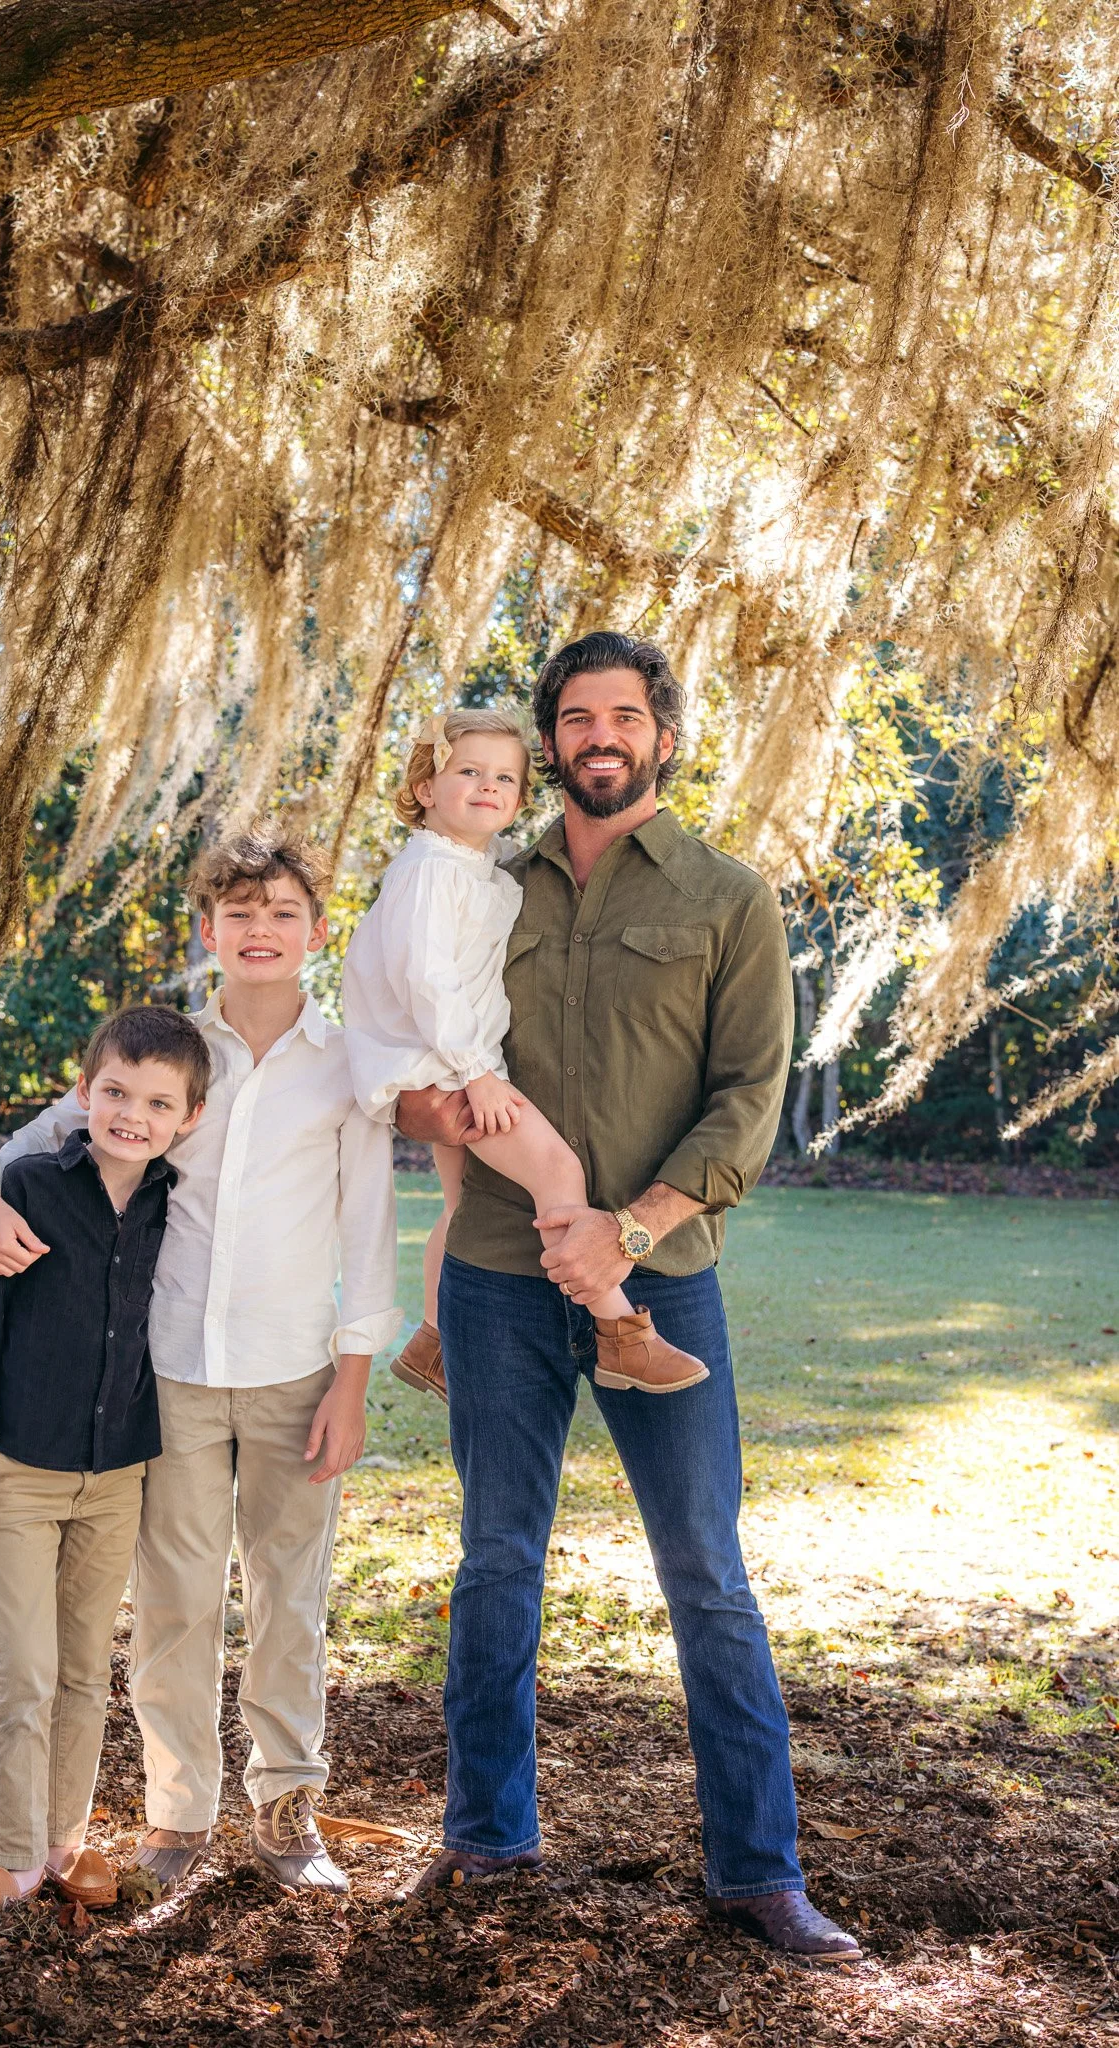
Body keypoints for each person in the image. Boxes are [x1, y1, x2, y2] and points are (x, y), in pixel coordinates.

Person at [395, 632, 861, 1964]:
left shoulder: (728, 897)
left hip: (662, 1290)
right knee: (495, 1560)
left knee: (705, 1573)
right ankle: (483, 1843)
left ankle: (757, 1871)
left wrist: (629, 1232)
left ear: (663, 732)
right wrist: (443, 1116)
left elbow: (745, 1099)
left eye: (625, 714)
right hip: (493, 1275)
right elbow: (417, 1050)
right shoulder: (480, 887)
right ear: (549, 740)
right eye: (575, 716)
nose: (600, 735)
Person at [0, 825, 401, 1897]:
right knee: (176, 1597)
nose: (260, 930)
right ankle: (178, 1812)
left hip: (297, 1367)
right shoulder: (170, 1053)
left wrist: (353, 1374)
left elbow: (367, 1226)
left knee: (290, 1593)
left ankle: (289, 1807)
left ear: (316, 931)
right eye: (239, 913)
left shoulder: (350, 1064)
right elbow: (30, 1143)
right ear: (208, 930)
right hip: (172, 1375)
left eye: (282, 913)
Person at [0, 1003, 210, 1926]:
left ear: (188, 1120)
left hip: (118, 1474)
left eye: (158, 1103)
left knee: (87, 1671)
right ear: (84, 1092)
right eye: (117, 1093)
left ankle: (59, 1840)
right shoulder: (29, 1186)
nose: (133, 1115)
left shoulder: (179, 1206)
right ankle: (7, 1859)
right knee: (27, 1674)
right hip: (18, 1471)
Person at [343, 704, 706, 1401]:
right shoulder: (429, 872)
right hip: (446, 1066)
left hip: (448, 1061)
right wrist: (477, 1073)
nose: (489, 787)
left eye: (505, 779)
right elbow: (425, 978)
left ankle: (433, 1343)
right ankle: (620, 1333)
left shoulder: (482, 866)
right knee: (557, 1170)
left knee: (461, 1206)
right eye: (469, 772)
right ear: (426, 788)